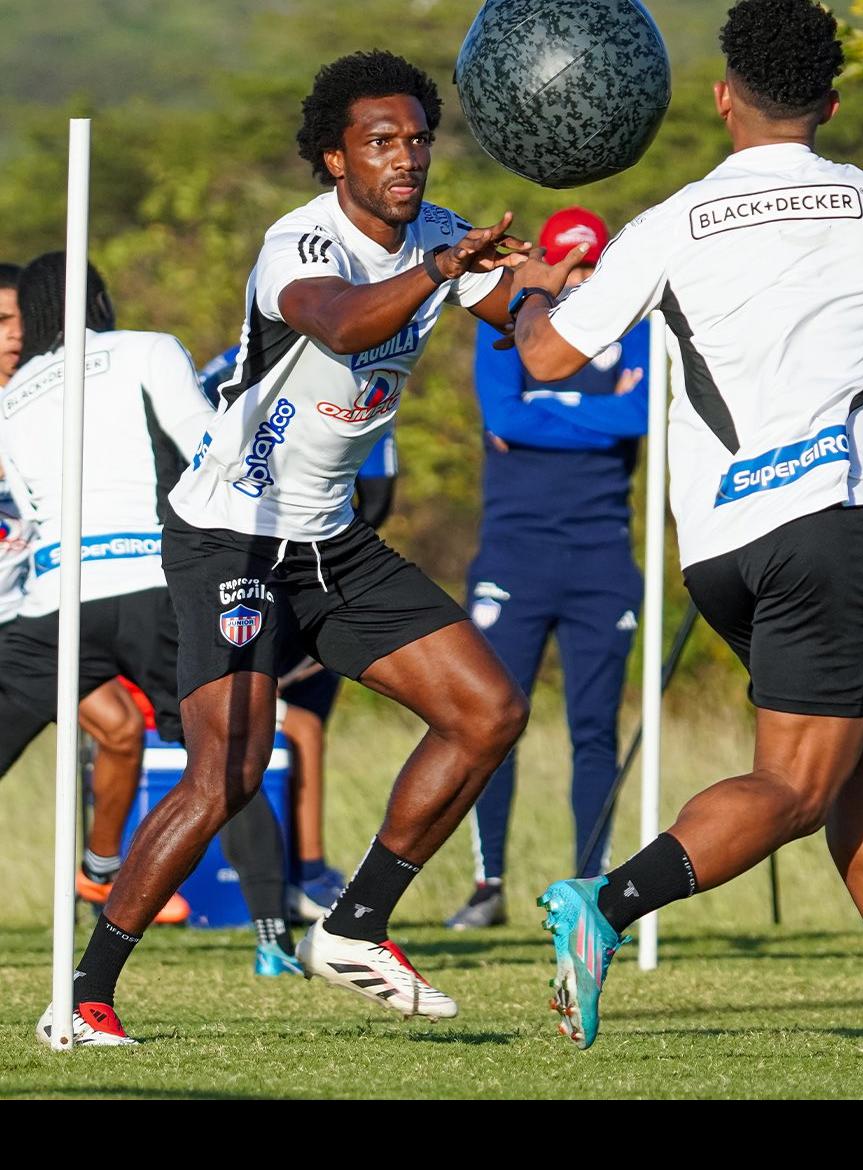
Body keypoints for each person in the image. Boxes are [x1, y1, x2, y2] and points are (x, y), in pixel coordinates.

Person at [505, 0, 863, 1062]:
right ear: (830, 103)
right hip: (822, 528)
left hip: (717, 549)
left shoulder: (669, 222)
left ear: (722, 98)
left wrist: (527, 294)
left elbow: (548, 357)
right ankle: (606, 903)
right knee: (799, 786)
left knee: (856, 760)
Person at [38, 49, 585, 1046]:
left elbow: (529, 328)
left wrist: (544, 293)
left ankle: (355, 926)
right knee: (227, 773)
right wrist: (442, 271)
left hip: (333, 538)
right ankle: (84, 994)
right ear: (336, 158)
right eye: (381, 142)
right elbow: (339, 325)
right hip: (234, 535)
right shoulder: (300, 243)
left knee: (487, 712)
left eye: (418, 138)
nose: (405, 157)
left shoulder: (439, 234)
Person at [447, 207, 649, 929]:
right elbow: (504, 417)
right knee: (492, 722)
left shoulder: (634, 328)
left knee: (594, 732)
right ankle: (488, 885)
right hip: (514, 556)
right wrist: (590, 414)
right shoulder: (506, 326)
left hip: (602, 559)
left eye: (589, 267)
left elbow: (640, 418)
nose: (577, 280)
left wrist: (548, 407)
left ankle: (593, 890)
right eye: (566, 267)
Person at [0, 260, 194, 926]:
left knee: (120, 730)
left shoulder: (48, 391)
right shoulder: (20, 406)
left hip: (41, 606)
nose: (12, 335)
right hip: (30, 623)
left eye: (16, 320)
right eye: (0, 323)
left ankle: (100, 873)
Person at [198, 344, 378, 920]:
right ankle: (303, 876)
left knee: (297, 731)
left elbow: (377, 493)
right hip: (233, 572)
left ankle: (306, 876)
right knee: (271, 738)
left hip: (300, 571)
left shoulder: (359, 362)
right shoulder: (226, 375)